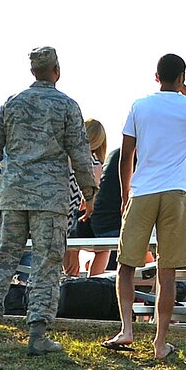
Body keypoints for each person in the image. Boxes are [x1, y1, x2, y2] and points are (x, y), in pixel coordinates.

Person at [0, 46, 98, 356]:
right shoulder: (67, 106)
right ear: (57, 70)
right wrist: (89, 193)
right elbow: (81, 155)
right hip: (49, 199)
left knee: (1, 261)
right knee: (46, 266)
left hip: (11, 195)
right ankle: (38, 334)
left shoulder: (12, 104)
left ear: (32, 72)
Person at [112, 53, 186, 358]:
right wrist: (184, 88)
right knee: (166, 271)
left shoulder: (140, 105)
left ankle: (127, 330)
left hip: (142, 191)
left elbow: (126, 155)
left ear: (155, 76)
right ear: (181, 77)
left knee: (126, 265)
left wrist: (125, 195)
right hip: (175, 193)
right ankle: (159, 342)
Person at [64, 119, 110, 278]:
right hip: (80, 219)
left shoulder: (64, 158)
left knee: (68, 272)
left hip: (61, 218)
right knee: (104, 249)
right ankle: (94, 283)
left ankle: (69, 292)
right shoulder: (95, 163)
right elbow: (92, 197)